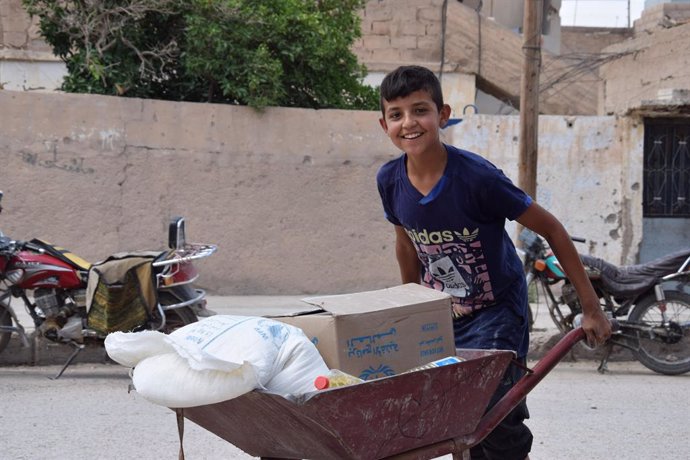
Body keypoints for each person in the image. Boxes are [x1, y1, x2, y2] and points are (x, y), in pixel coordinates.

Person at [375, 65, 612, 460]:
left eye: (420, 110)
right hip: (443, 313)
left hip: (498, 310)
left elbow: (552, 229)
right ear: (384, 124)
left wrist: (592, 309)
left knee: (492, 412)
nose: (409, 123)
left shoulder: (477, 178)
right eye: (397, 114)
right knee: (453, 411)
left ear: (443, 114)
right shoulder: (389, 180)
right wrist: (411, 306)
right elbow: (405, 243)